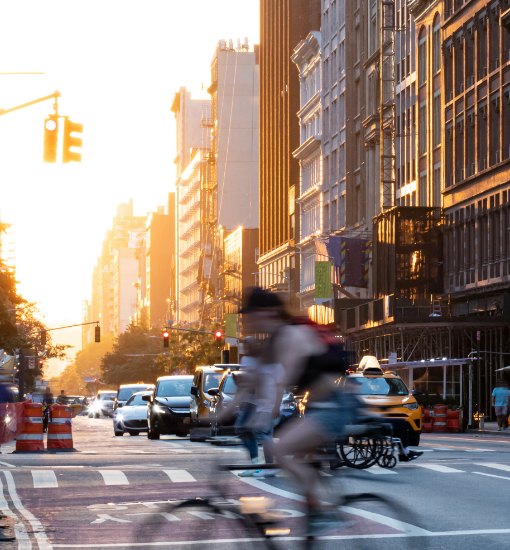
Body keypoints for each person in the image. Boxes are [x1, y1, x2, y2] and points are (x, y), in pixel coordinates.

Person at [240, 287, 360, 535]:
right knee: (298, 459)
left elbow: (285, 378)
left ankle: (323, 513)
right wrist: (216, 416)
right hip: (318, 407)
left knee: (279, 449)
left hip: (334, 405)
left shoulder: (291, 334)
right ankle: (313, 519)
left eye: (251, 313)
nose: (246, 319)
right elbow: (251, 381)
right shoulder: (273, 340)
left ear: (269, 313)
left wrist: (264, 414)